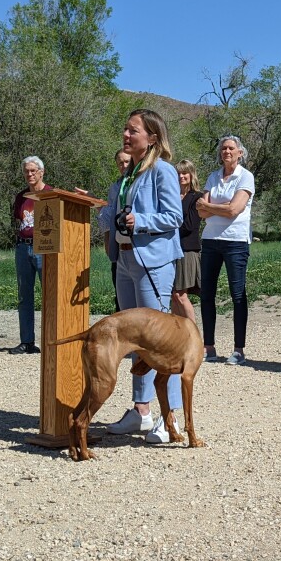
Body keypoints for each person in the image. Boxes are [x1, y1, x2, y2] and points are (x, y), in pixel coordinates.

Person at [100, 109, 186, 443]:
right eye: (124, 129)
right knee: (134, 342)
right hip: (124, 262)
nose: (125, 134)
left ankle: (171, 418)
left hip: (153, 262)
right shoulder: (127, 176)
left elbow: (173, 216)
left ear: (151, 137)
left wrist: (142, 220)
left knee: (160, 342)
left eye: (132, 130)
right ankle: (141, 411)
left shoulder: (162, 171)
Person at [196, 135, 256, 365]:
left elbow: (235, 210)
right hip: (211, 239)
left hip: (235, 241)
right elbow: (201, 212)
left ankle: (238, 349)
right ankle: (208, 346)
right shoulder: (214, 176)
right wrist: (220, 207)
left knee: (237, 294)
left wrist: (212, 207)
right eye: (223, 148)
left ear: (240, 153)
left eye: (231, 148)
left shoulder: (246, 177)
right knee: (207, 293)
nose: (226, 152)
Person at [10, 155, 51, 355]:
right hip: (23, 248)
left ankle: (51, 340)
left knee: (49, 295)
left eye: (33, 170)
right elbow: (20, 220)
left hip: (44, 249)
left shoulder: (51, 193)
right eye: (27, 171)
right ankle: (27, 341)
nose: (30, 174)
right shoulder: (21, 197)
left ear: (41, 172)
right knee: (24, 296)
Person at [171, 159, 203, 322]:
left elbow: (190, 225)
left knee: (181, 294)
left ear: (191, 175)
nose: (181, 176)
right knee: (172, 295)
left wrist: (167, 228)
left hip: (187, 249)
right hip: (170, 250)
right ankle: (178, 336)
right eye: (178, 173)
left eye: (184, 173)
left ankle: (194, 335)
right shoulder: (171, 196)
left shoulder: (197, 197)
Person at [106, 149, 132, 312]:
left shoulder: (141, 181)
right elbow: (109, 218)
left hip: (139, 248)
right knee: (121, 303)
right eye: (120, 163)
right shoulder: (115, 187)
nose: (123, 166)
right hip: (120, 249)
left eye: (127, 161)